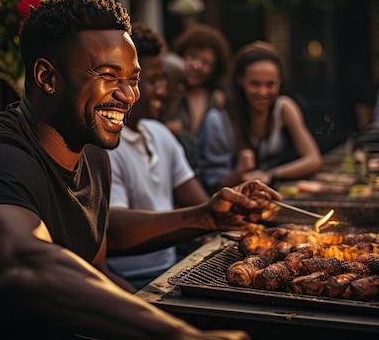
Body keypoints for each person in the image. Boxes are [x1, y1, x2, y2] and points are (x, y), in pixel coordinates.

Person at [0, 0, 281, 339]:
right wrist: (179, 335)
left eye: (132, 79)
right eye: (107, 76)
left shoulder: (93, 153)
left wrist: (205, 217)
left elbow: (101, 235)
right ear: (46, 77)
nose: (128, 94)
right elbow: (23, 261)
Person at [106, 22, 212, 290]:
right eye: (151, 81)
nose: (163, 90)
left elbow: (201, 203)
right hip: (131, 279)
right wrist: (205, 218)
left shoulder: (159, 133)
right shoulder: (106, 146)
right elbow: (115, 232)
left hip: (174, 266)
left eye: (161, 79)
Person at [198, 41, 323, 194]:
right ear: (240, 80)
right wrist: (239, 173)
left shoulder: (284, 108)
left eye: (270, 84)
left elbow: (314, 160)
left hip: (271, 198)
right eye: (255, 84)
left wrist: (270, 175)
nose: (263, 92)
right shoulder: (218, 121)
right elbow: (211, 187)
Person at [166, 23, 232, 173]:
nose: (196, 66)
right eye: (192, 57)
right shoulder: (166, 92)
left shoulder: (217, 99)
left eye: (206, 63)